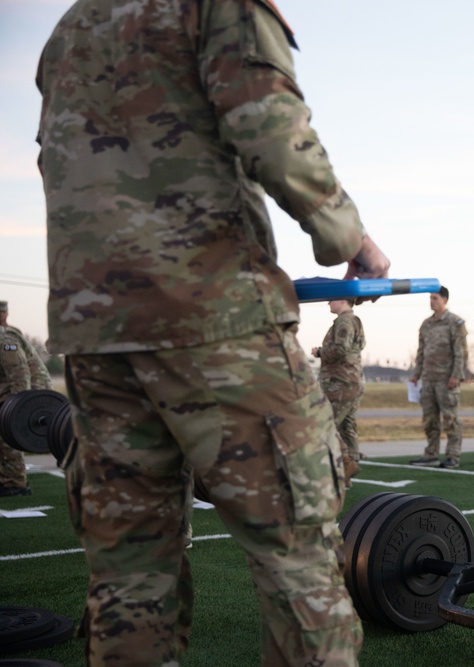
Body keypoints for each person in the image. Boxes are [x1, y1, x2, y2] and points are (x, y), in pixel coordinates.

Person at [37, 1, 391, 663]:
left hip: (95, 335)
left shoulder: (72, 26)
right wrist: (348, 237)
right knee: (297, 556)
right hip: (213, 319)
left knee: (128, 572)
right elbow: (269, 124)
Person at [410, 286, 469, 469]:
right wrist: (416, 374)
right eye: (430, 298)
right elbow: (421, 352)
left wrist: (456, 376)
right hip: (428, 379)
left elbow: (461, 352)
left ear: (445, 300)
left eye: (435, 298)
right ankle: (431, 454)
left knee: (450, 419)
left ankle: (453, 455)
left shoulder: (454, 322)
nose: (431, 301)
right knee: (429, 419)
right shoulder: (426, 324)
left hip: (447, 380)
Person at [0, 301, 53, 497]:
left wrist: (15, 410)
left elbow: (20, 376)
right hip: (11, 388)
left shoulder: (6, 340)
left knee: (7, 433)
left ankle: (16, 484)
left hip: (31, 392)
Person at [313, 298, 366, 485]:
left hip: (340, 381)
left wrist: (320, 352)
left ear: (342, 300)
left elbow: (341, 349)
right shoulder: (353, 320)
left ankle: (345, 465)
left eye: (331, 299)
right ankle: (348, 470)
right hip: (351, 380)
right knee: (347, 426)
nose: (328, 303)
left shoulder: (344, 321)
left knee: (327, 423)